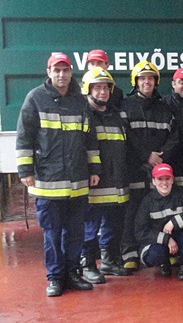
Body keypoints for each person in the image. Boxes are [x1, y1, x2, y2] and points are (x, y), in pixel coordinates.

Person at [16, 52, 100, 297]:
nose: (61, 75)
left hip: (77, 183)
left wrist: (94, 169)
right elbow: (24, 137)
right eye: (57, 70)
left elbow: (90, 139)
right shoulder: (35, 99)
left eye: (65, 70)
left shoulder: (81, 102)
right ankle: (54, 277)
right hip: (48, 184)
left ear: (71, 72)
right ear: (49, 72)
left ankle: (73, 273)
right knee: (52, 235)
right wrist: (25, 170)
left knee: (76, 233)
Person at [120, 60, 180, 270]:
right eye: (142, 78)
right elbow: (125, 137)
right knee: (132, 211)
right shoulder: (126, 107)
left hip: (160, 169)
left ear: (156, 81)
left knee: (163, 211)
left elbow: (174, 136)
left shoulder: (165, 108)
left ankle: (165, 251)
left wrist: (161, 157)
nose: (147, 82)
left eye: (151, 78)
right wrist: (146, 156)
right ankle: (130, 254)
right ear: (135, 82)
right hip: (135, 168)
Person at [80, 68, 131, 284]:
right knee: (90, 227)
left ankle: (110, 260)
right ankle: (88, 264)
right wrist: (93, 172)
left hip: (117, 181)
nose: (102, 91)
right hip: (96, 182)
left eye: (105, 87)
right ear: (87, 90)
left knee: (114, 223)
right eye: (97, 87)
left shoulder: (117, 114)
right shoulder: (84, 115)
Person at [135, 163, 183, 281]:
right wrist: (166, 239)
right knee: (154, 254)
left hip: (181, 238)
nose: (164, 183)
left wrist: (174, 222)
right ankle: (164, 263)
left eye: (167, 179)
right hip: (160, 243)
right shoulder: (147, 201)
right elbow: (140, 231)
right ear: (153, 181)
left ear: (172, 180)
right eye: (160, 179)